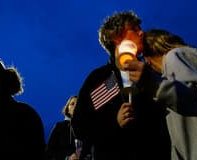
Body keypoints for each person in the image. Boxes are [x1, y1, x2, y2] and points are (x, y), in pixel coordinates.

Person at [71, 11, 170, 160]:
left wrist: (152, 83)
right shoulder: (99, 78)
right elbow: (80, 126)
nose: (142, 32)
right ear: (116, 37)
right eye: (135, 29)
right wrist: (113, 123)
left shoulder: (154, 71)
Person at [123, 29, 197, 160]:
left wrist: (153, 83)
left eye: (145, 56)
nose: (147, 63)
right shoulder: (176, 67)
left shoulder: (174, 55)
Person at [46, 95, 80, 160]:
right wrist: (68, 157)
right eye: (72, 104)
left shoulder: (88, 128)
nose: (75, 106)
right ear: (67, 109)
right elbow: (49, 152)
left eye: (78, 104)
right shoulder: (59, 127)